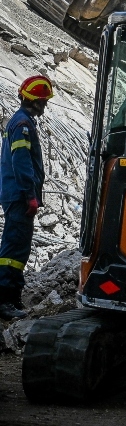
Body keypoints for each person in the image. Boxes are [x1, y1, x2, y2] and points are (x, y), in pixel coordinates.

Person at [0, 76, 53, 320]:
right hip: (19, 196)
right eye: (44, 101)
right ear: (36, 100)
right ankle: (4, 300)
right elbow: (21, 163)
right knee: (13, 248)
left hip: (16, 195)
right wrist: (30, 195)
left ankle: (11, 296)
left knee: (18, 248)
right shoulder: (22, 124)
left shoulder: (21, 121)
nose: (46, 106)